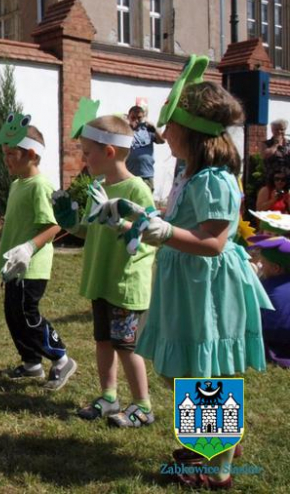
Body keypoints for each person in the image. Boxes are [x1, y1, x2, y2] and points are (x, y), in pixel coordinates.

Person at [94, 60, 271, 489]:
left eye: (168, 125)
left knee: (206, 372)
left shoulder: (214, 179)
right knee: (187, 368)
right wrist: (132, 219)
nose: (161, 133)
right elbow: (173, 222)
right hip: (187, 285)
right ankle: (212, 442)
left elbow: (212, 241)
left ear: (188, 130)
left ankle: (217, 468)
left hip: (209, 289)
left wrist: (162, 229)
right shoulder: (189, 174)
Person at [53, 115, 156, 428]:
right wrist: (72, 225)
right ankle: (109, 397)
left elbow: (147, 234)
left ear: (109, 152)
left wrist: (119, 223)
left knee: (126, 346)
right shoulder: (98, 186)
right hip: (101, 278)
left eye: (87, 152)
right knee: (103, 341)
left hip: (124, 282)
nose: (83, 159)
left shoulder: (137, 189)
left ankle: (143, 405)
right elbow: (92, 230)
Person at [0, 117, 76, 391]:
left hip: (32, 267)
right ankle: (31, 363)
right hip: (13, 266)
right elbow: (16, 220)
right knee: (12, 314)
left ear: (31, 154)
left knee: (27, 315)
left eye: (11, 154)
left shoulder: (40, 185)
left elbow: (55, 224)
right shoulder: (17, 184)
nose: (6, 160)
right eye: (4, 153)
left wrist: (30, 247)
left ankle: (61, 357)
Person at [249, 236, 290, 368]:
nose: (260, 266)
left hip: (279, 343)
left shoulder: (265, 289)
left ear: (276, 268)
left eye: (263, 263)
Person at [125, 104, 165, 191]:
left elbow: (162, 141)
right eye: (133, 117)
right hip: (130, 175)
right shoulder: (125, 130)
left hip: (146, 175)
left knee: (145, 202)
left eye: (139, 118)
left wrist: (154, 128)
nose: (136, 120)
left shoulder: (148, 129)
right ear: (128, 117)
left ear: (143, 117)